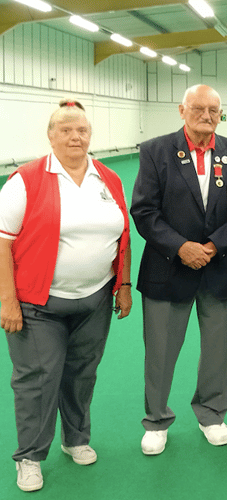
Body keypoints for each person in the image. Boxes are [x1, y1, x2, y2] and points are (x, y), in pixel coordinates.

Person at [0, 100, 131, 492]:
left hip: (94, 301)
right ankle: (29, 456)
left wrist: (122, 284)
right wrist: (7, 300)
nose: (76, 137)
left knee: (81, 374)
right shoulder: (26, 179)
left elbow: (121, 234)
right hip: (38, 305)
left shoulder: (107, 177)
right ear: (51, 135)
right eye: (66, 130)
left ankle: (75, 438)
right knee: (38, 380)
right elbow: (2, 242)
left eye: (83, 131)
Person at [131, 84, 227, 455]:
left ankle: (212, 414)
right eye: (198, 108)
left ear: (220, 114)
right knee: (160, 351)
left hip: (220, 268)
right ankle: (156, 420)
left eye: (213, 110)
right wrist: (181, 247)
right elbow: (144, 211)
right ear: (181, 109)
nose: (206, 115)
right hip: (169, 269)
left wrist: (214, 245)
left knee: (217, 349)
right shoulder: (156, 151)